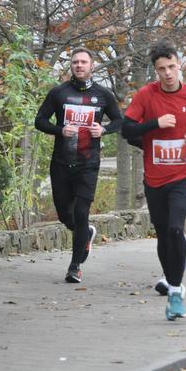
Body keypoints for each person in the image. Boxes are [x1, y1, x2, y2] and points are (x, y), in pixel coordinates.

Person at [121, 42, 186, 321]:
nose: (168, 73)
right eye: (162, 69)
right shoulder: (145, 96)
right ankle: (172, 280)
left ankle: (175, 291)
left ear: (179, 65)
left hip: (183, 177)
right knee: (163, 233)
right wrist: (154, 124)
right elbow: (126, 129)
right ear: (156, 71)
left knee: (176, 228)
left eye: (172, 67)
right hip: (154, 179)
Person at [35, 47, 122, 283]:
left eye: (84, 62)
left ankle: (75, 267)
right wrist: (60, 129)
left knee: (82, 212)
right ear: (71, 66)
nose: (79, 66)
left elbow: (119, 120)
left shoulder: (103, 95)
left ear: (92, 66)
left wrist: (103, 129)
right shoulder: (59, 93)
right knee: (66, 215)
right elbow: (40, 121)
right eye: (75, 62)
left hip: (88, 163)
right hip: (62, 162)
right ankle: (87, 234)